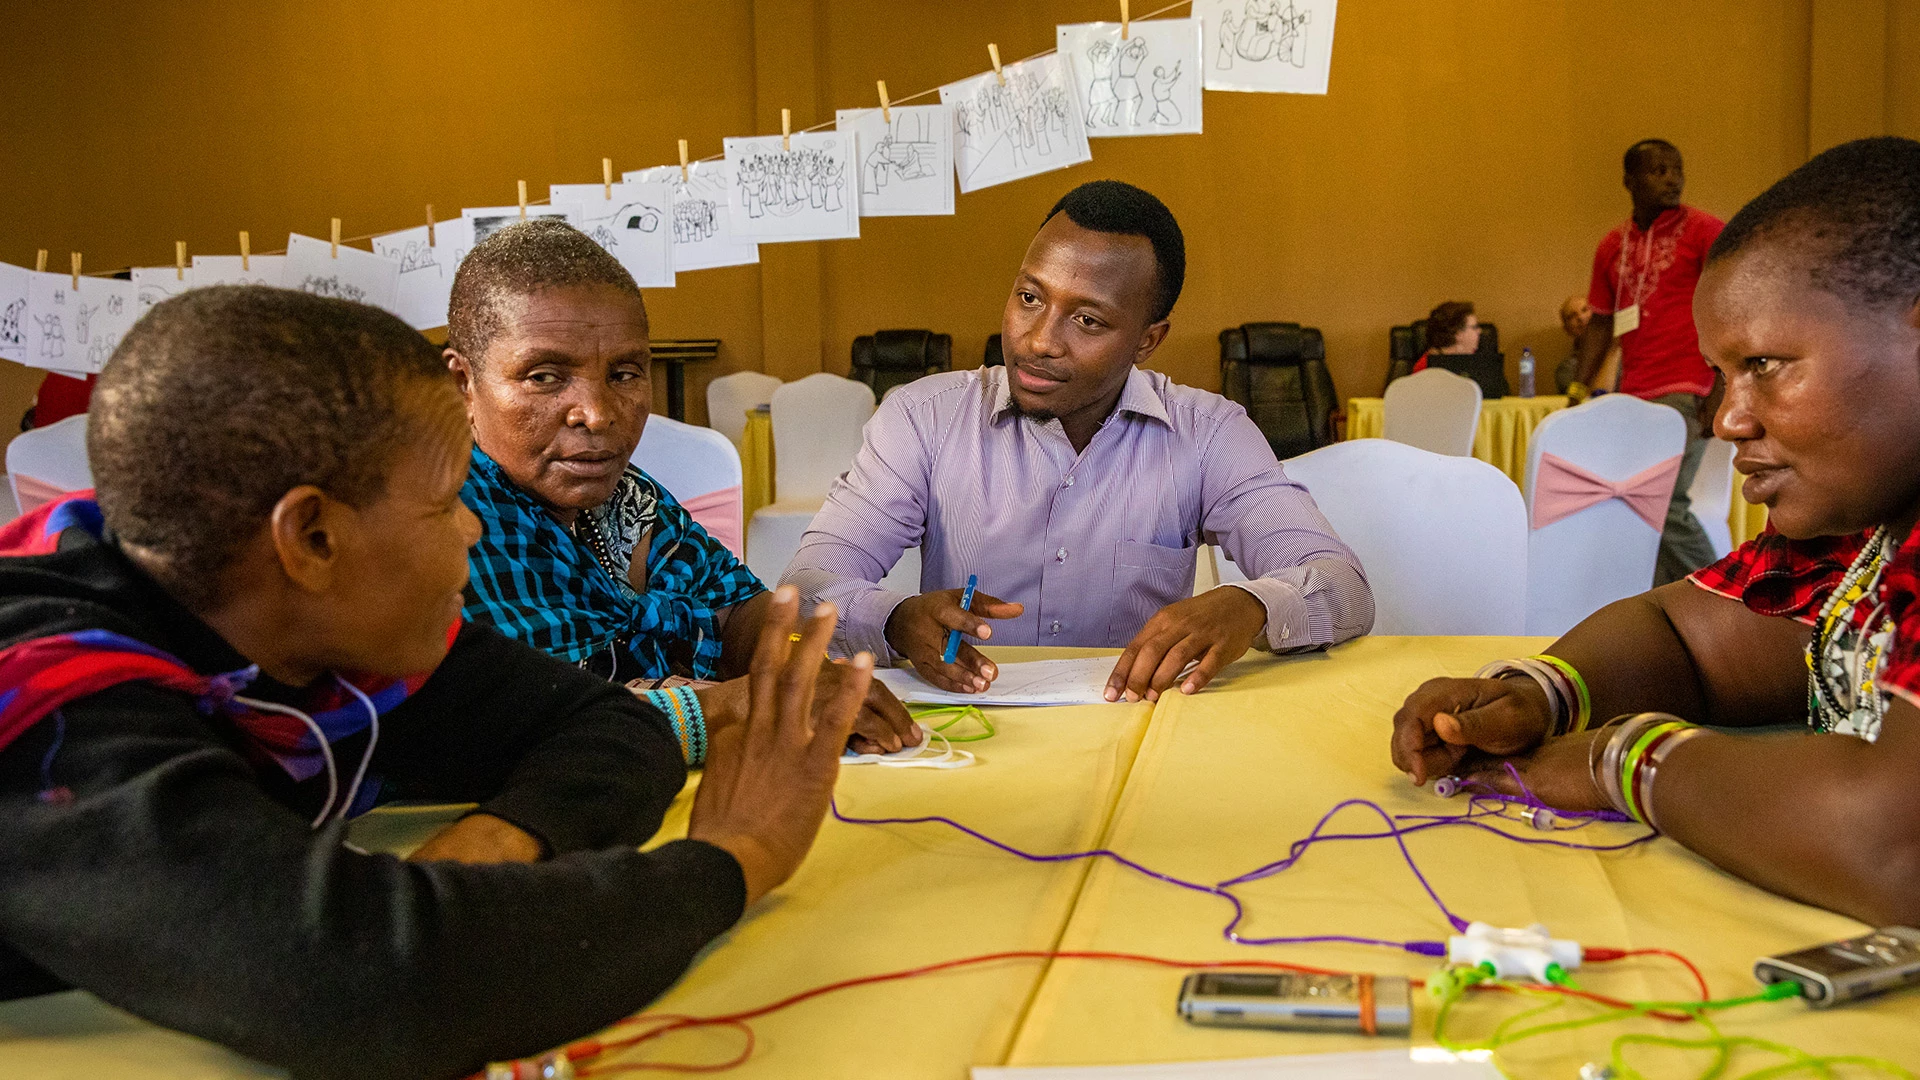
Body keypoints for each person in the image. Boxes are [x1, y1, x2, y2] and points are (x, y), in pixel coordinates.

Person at [0, 286, 869, 1079]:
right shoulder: (50, 709)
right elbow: (367, 985)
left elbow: (606, 728)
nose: (474, 533)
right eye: (448, 499)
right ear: (310, 539)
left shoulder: (316, 624)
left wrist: (495, 841)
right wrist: (735, 857)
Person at [1387, 137, 1920, 927]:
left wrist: (1625, 761)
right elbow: (1686, 634)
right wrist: (1539, 695)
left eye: (1766, 364)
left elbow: (1894, 847)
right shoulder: (1863, 532)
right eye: (1721, 375)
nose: (1725, 418)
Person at [782, 180, 1373, 704]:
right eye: (1030, 298)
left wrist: (1252, 605)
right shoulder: (923, 419)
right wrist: (894, 620)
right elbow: (807, 588)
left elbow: (1344, 585)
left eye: (1087, 320)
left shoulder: (1208, 432)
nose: (1039, 341)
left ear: (1148, 340)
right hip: (971, 740)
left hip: (1134, 737)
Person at [444, 220, 918, 755]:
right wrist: (740, 706)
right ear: (465, 383)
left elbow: (738, 609)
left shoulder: (632, 500)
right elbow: (505, 723)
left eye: (624, 373)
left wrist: (797, 667)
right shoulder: (441, 521)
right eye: (545, 377)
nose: (597, 414)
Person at [1570, 139, 1725, 584]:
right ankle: (1666, 610)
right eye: (1657, 170)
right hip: (1633, 394)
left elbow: (1734, 307)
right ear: (1629, 180)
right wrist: (1578, 390)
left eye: (1676, 169)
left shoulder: (1705, 232)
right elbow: (1601, 323)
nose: (1671, 177)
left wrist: (1723, 387)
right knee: (1636, 505)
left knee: (1663, 504)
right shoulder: (1612, 245)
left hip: (1689, 388)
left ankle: (1727, 596)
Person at [1552, 295, 1619, 394]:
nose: (1581, 317)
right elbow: (1592, 399)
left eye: (1585, 310)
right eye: (1572, 316)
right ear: (1567, 329)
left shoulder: (1626, 357)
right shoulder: (1566, 369)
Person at [1409, 300, 1479, 373]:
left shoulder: (1479, 360)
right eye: (1474, 327)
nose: (1479, 331)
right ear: (1457, 333)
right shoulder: (1425, 367)